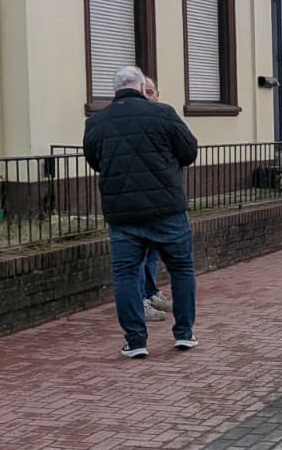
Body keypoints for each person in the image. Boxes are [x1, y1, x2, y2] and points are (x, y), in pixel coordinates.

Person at [83, 66, 199, 358]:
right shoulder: (163, 113)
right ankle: (184, 334)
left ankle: (136, 341)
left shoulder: (96, 122)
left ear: (116, 89)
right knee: (181, 269)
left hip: (123, 215)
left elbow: (95, 161)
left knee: (125, 275)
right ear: (140, 86)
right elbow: (189, 152)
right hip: (168, 209)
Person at [138, 78, 169, 323]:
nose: (149, 96)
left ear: (158, 94)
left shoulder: (164, 117)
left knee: (152, 251)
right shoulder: (133, 120)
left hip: (160, 198)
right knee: (138, 252)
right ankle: (142, 300)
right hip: (137, 200)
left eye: (151, 92)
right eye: (144, 92)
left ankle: (150, 291)